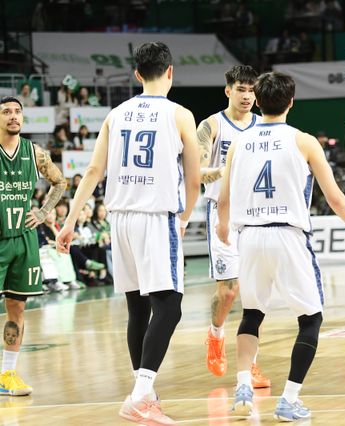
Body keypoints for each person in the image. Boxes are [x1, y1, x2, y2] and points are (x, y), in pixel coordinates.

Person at [216, 71, 345, 421]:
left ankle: (243, 385)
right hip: (287, 236)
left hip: (249, 237)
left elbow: (223, 199)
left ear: (258, 102)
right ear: (291, 102)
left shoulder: (239, 143)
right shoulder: (303, 141)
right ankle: (288, 399)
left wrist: (223, 227)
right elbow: (334, 197)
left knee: (251, 315)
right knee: (311, 319)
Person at [56, 42, 200, 425]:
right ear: (170, 72)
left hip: (120, 218)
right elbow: (194, 179)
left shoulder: (115, 114)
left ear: (137, 74)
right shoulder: (180, 114)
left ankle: (145, 395)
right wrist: (184, 217)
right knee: (170, 306)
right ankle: (139, 394)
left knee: (138, 308)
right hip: (156, 217)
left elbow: (92, 171)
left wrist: (69, 221)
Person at [196, 65, 270, 388]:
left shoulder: (264, 125)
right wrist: (227, 170)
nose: (247, 96)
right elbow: (198, 169)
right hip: (221, 211)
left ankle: (250, 363)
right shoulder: (211, 125)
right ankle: (215, 334)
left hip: (255, 213)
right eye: (241, 89)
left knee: (255, 293)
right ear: (228, 90)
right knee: (229, 291)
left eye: (252, 90)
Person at [0, 96, 67, 395]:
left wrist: (42, 212)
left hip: (24, 238)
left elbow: (60, 183)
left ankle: (7, 374)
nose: (13, 116)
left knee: (17, 308)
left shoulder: (35, 152)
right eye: (6, 112)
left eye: (17, 111)